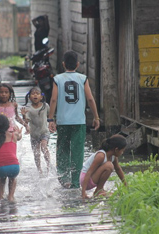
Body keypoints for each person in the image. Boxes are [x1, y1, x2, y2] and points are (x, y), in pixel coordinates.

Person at [48, 50, 100, 189]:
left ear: (63, 64)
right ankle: (76, 182)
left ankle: (64, 179)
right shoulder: (83, 78)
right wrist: (96, 117)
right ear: (77, 64)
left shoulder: (58, 79)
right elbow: (90, 98)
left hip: (63, 122)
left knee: (62, 149)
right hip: (79, 122)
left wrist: (50, 119)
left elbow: (53, 99)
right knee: (77, 151)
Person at [81, 134, 127, 200]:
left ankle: (99, 190)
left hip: (92, 178)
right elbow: (89, 172)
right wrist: (83, 193)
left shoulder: (113, 157)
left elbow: (118, 169)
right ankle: (99, 190)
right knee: (109, 166)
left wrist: (126, 185)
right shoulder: (101, 156)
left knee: (110, 165)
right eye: (122, 150)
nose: (122, 153)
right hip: (85, 179)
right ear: (116, 149)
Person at [0, 115, 22, 202]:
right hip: (13, 167)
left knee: (1, 179)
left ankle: (0, 196)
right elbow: (19, 137)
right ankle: (10, 197)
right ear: (8, 126)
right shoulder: (13, 136)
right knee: (12, 179)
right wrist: (18, 132)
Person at [21, 87, 50, 175]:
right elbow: (26, 121)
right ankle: (39, 170)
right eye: (33, 94)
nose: (35, 95)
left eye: (37, 93)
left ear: (41, 96)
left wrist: (53, 124)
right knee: (36, 153)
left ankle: (49, 166)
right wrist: (24, 116)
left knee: (44, 146)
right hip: (34, 134)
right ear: (29, 97)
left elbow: (50, 116)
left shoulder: (45, 106)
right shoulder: (28, 109)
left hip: (44, 131)